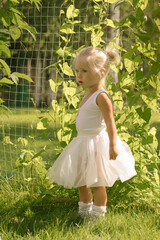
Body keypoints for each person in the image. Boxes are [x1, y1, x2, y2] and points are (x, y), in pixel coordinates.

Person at [47, 46, 137, 218]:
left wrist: (112, 145)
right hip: (82, 143)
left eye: (85, 71)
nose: (79, 75)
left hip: (97, 143)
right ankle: (84, 213)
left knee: (97, 182)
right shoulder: (87, 94)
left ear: (101, 72)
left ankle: (97, 217)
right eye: (77, 71)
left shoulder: (101, 96)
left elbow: (110, 123)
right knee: (81, 180)